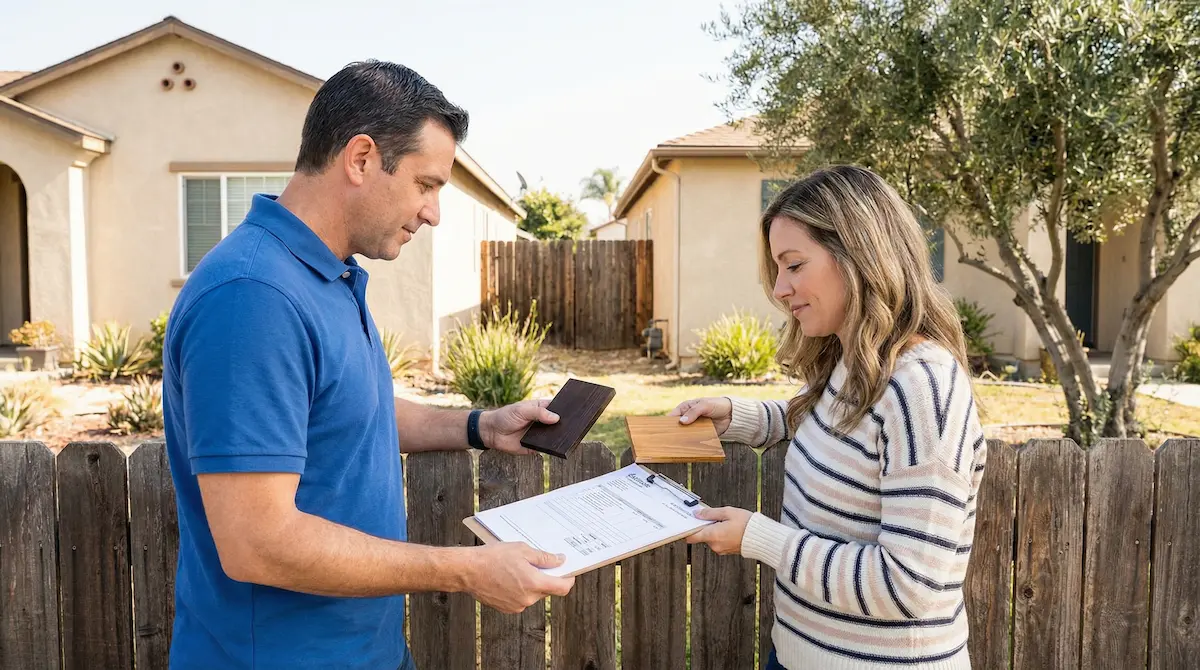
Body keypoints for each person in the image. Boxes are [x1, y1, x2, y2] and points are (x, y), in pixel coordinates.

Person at [161, 61, 575, 670]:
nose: (433, 212)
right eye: (426, 184)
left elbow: (353, 410)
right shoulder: (253, 297)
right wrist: (465, 570)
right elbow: (257, 544)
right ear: (360, 159)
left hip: (363, 651)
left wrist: (479, 426)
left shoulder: (328, 275)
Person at [671, 165, 985, 669]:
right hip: (797, 653)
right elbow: (834, 430)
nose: (779, 289)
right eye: (778, 269)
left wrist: (757, 538)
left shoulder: (922, 387)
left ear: (858, 256)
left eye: (794, 266)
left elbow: (908, 587)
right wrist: (739, 417)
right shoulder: (854, 363)